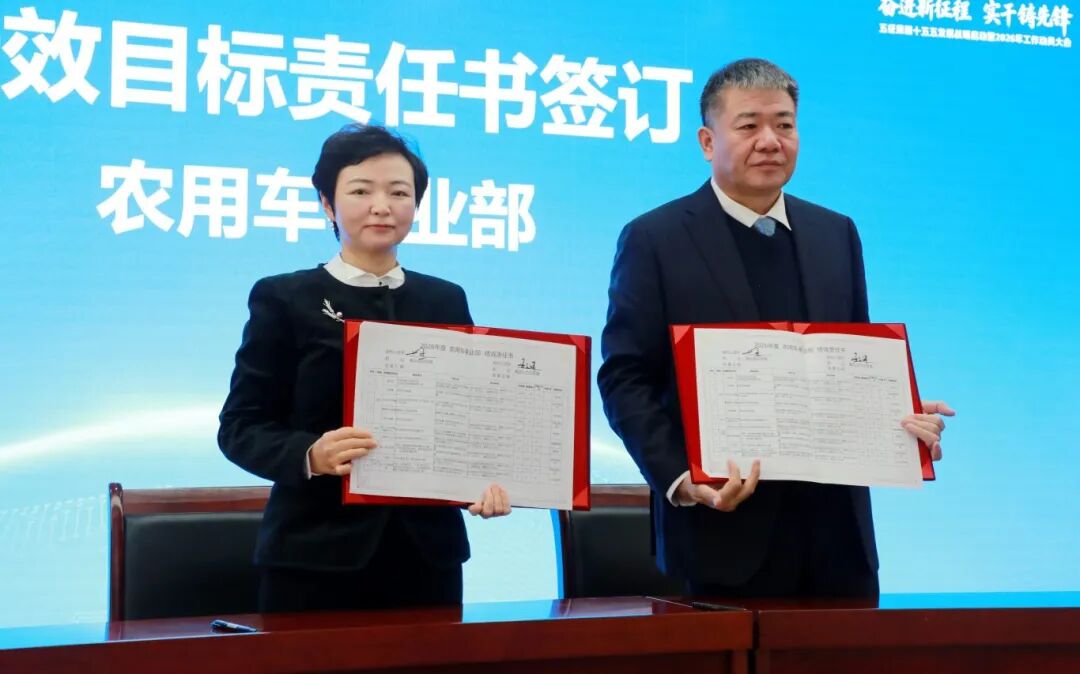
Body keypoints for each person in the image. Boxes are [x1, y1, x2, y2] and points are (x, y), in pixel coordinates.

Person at [597, 58, 955, 598]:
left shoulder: (836, 233)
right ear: (707, 141)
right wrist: (681, 479)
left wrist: (894, 412)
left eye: (784, 124)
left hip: (839, 544)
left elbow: (850, 357)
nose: (770, 141)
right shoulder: (655, 238)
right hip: (720, 536)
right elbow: (625, 376)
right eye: (749, 126)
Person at [218, 124, 510, 613]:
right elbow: (240, 427)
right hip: (313, 557)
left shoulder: (444, 299)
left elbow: (463, 418)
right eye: (360, 191)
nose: (382, 206)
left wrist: (483, 481)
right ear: (327, 204)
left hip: (427, 558)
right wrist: (310, 454)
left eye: (399, 192)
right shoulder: (285, 296)